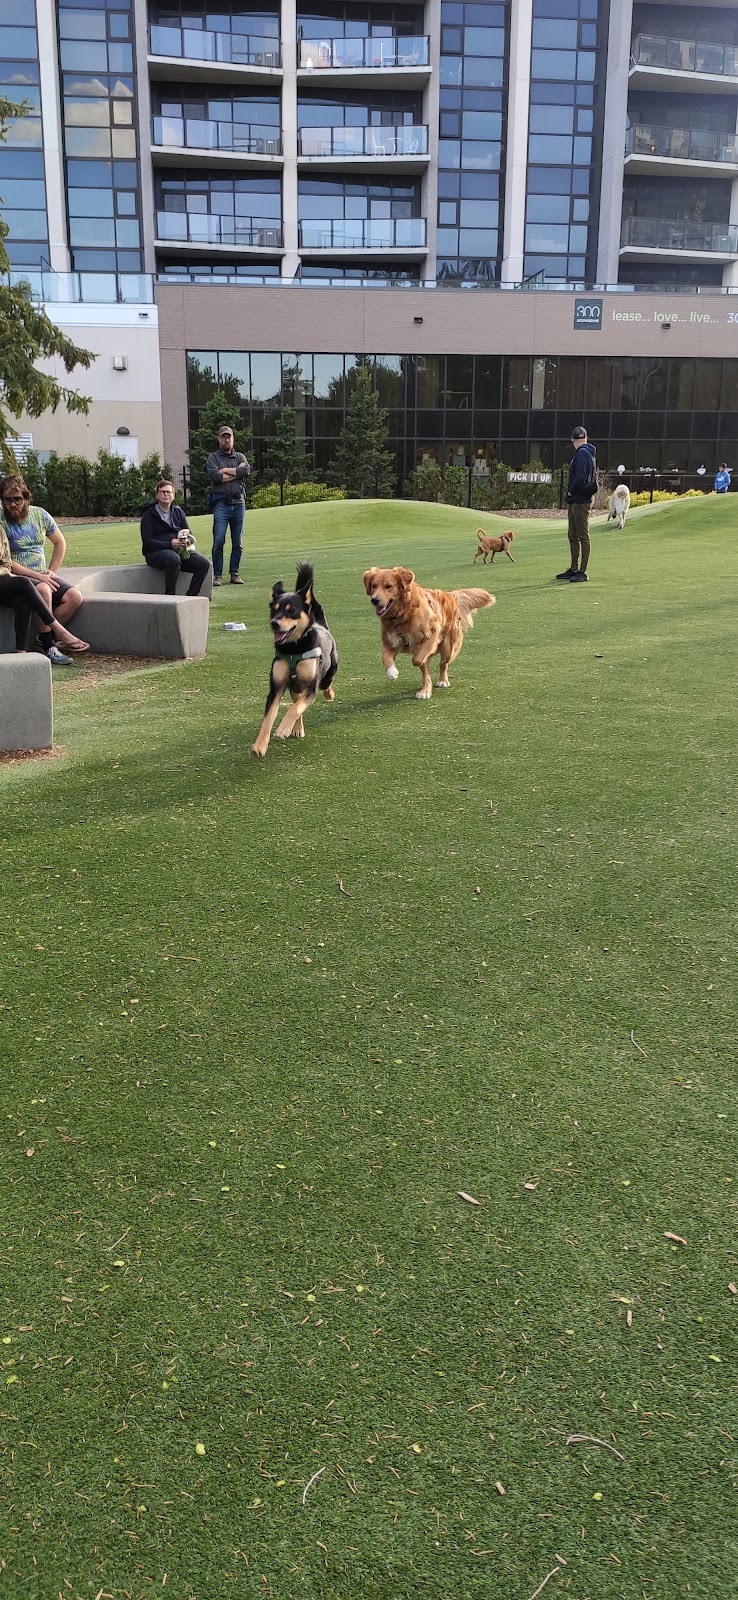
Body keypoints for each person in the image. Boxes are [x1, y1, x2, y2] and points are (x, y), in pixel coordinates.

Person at [0, 473, 89, 662]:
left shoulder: (39, 515)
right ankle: (50, 647)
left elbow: (60, 542)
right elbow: (6, 561)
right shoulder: (2, 521)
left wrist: (52, 571)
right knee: (44, 590)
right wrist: (38, 577)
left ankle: (42, 638)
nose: (12, 504)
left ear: (26, 498)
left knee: (74, 597)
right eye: (7, 500)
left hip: (43, 573)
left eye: (17, 499)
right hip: (18, 575)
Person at [140, 479, 211, 595]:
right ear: (157, 495)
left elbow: (189, 534)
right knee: (173, 558)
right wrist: (169, 544)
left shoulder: (178, 512)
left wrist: (187, 541)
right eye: (162, 492)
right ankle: (170, 596)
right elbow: (147, 542)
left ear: (173, 495)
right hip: (155, 553)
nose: (166, 494)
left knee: (204, 563)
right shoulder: (149, 515)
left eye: (169, 492)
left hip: (180, 552)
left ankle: (191, 597)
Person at [207, 424, 250, 588]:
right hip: (221, 505)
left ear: (233, 439)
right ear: (219, 439)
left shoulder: (240, 456)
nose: (227, 439)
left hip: (238, 504)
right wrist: (234, 473)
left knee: (237, 542)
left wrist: (225, 470)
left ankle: (234, 573)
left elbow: (246, 471)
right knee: (218, 540)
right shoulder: (213, 458)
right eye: (224, 437)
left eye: (229, 437)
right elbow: (215, 476)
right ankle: (217, 576)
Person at [557, 426, 597, 584]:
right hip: (579, 499)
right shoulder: (588, 452)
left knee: (581, 536)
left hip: (579, 500)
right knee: (574, 535)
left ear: (572, 439)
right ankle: (574, 568)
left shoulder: (581, 453)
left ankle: (582, 570)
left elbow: (580, 478)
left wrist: (570, 492)